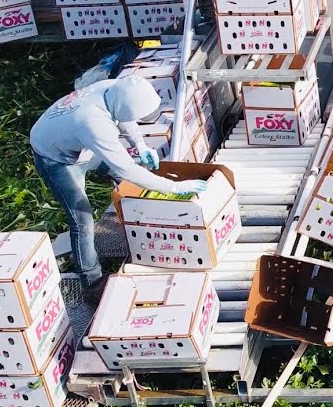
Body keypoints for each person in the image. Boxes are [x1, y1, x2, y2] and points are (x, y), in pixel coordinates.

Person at [30, 77, 208, 296]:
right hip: (56, 158)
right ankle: (91, 281)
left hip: (77, 143)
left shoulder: (113, 88)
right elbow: (127, 170)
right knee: (82, 219)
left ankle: (140, 223)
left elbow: (125, 117)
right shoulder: (93, 124)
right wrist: (172, 187)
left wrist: (140, 144)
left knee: (122, 178)